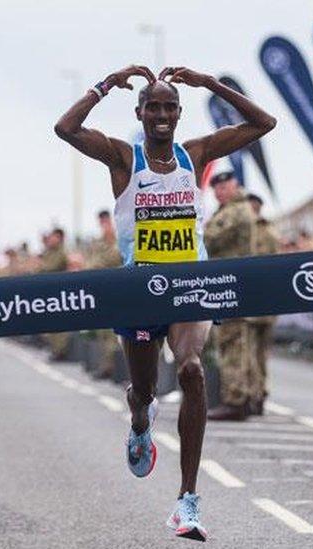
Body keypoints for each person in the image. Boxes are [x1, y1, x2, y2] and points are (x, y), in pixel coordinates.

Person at [54, 64, 276, 541]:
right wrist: (106, 83)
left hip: (190, 285)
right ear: (140, 112)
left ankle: (187, 502)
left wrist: (211, 85)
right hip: (139, 291)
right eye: (152, 107)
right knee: (144, 390)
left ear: (179, 114)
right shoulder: (122, 158)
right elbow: (65, 129)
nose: (161, 115)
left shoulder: (193, 155)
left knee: (193, 369)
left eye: (169, 108)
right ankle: (140, 419)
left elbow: (264, 125)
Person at [203, 172, 257, 421]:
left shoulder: (235, 211)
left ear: (235, 186)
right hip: (231, 285)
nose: (219, 192)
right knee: (234, 342)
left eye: (224, 187)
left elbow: (208, 238)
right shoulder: (231, 209)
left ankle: (235, 399)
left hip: (231, 286)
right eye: (216, 188)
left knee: (231, 342)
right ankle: (242, 397)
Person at [244, 193, 278, 416]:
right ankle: (261, 390)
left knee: (250, 350)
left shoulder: (249, 231)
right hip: (268, 301)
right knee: (262, 353)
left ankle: (255, 392)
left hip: (253, 298)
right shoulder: (272, 232)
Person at [85, 210, 124, 379]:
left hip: (115, 288)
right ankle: (107, 365)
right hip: (100, 288)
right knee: (103, 331)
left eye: (106, 221)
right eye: (101, 222)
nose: (104, 225)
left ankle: (114, 367)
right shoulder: (97, 243)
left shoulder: (119, 239)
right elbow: (90, 263)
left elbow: (115, 258)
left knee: (113, 332)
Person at [38, 227, 72, 361]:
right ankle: (55, 349)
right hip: (51, 292)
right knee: (52, 323)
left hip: (60, 292)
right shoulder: (49, 251)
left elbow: (50, 267)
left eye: (53, 236)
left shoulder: (62, 252)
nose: (51, 239)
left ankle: (60, 351)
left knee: (60, 324)